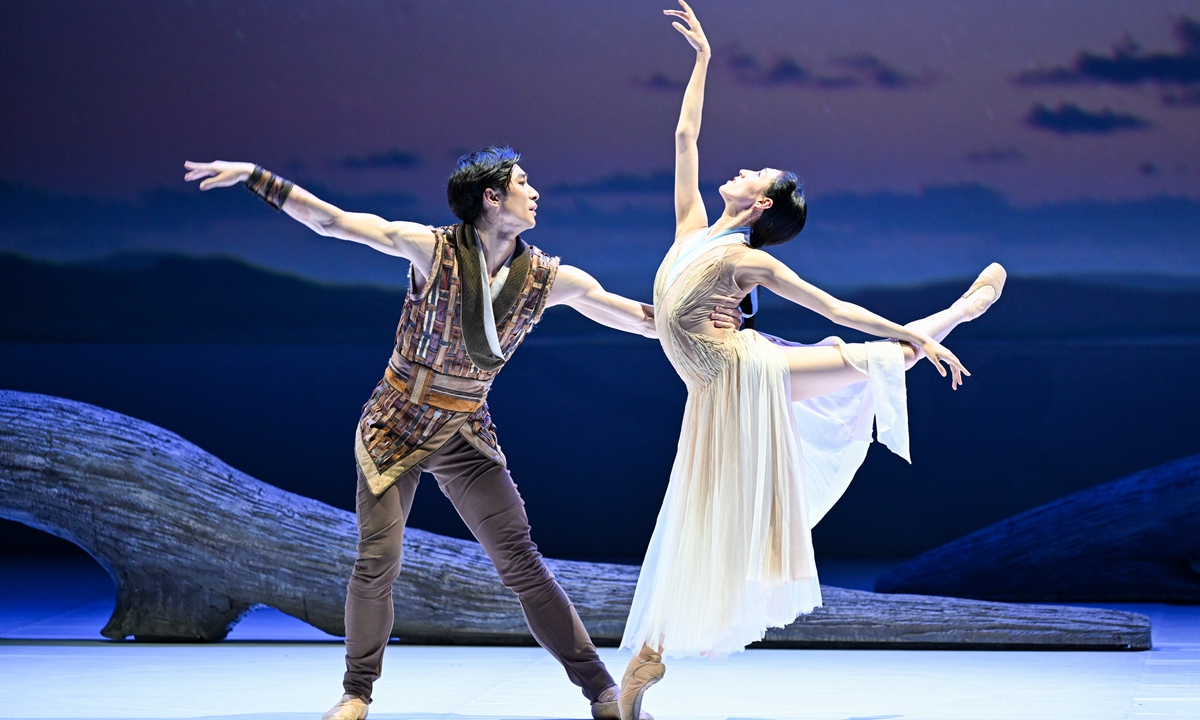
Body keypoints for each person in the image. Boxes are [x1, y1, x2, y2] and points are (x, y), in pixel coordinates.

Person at [184, 148, 740, 720]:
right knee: (378, 558)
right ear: (491, 198)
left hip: (465, 426)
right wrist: (257, 177)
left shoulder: (548, 278)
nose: (536, 193)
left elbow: (627, 315)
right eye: (524, 183)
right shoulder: (432, 250)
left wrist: (696, 322)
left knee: (522, 561)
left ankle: (602, 692)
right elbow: (334, 222)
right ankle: (356, 693)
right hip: (396, 420)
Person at [616, 4, 1006, 719]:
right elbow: (684, 135)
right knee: (695, 522)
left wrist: (915, 336)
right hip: (712, 392)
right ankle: (649, 656)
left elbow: (835, 309)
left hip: (744, 374)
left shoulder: (744, 260)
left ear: (760, 201)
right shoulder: (693, 229)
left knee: (869, 357)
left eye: (751, 172)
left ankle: (947, 319)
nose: (736, 169)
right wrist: (703, 60)